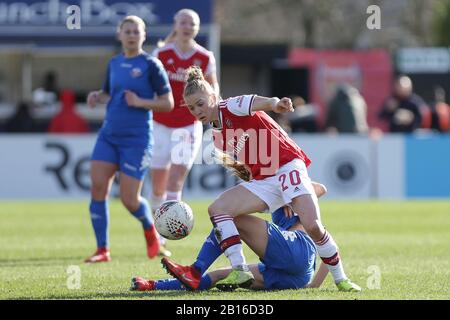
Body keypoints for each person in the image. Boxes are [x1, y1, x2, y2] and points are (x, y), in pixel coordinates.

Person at [157, 66, 361, 292]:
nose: (197, 110)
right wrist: (279, 193)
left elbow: (258, 102)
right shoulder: (217, 138)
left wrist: (276, 104)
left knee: (312, 226)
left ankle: (341, 278)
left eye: (201, 103)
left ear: (213, 97)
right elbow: (252, 159)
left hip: (286, 164)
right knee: (218, 209)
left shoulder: (230, 106)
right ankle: (239, 268)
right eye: (192, 107)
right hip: (265, 180)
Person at [84, 15, 174, 263]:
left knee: (129, 199)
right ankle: (102, 250)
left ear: (143, 35)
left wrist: (141, 102)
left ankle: (149, 229)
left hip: (137, 139)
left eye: (137, 31)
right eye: (128, 31)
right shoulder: (114, 63)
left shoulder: (151, 65)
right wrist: (97, 96)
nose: (132, 35)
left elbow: (168, 103)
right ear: (119, 34)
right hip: (109, 135)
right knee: (98, 188)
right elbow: (108, 93)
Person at [131, 205, 329, 291]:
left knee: (227, 218)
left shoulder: (293, 186)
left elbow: (319, 188)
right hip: (296, 275)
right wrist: (311, 285)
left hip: (298, 247)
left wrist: (289, 195)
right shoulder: (270, 188)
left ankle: (196, 268)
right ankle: (153, 285)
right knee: (218, 276)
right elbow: (330, 250)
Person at [149, 8, 219, 214]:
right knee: (157, 186)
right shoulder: (161, 54)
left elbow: (213, 88)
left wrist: (215, 110)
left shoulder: (204, 57)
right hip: (159, 124)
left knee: (175, 182)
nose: (187, 27)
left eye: (192, 24)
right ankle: (157, 238)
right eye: (184, 23)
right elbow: (148, 85)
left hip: (188, 126)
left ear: (197, 29)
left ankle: (168, 228)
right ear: (175, 25)